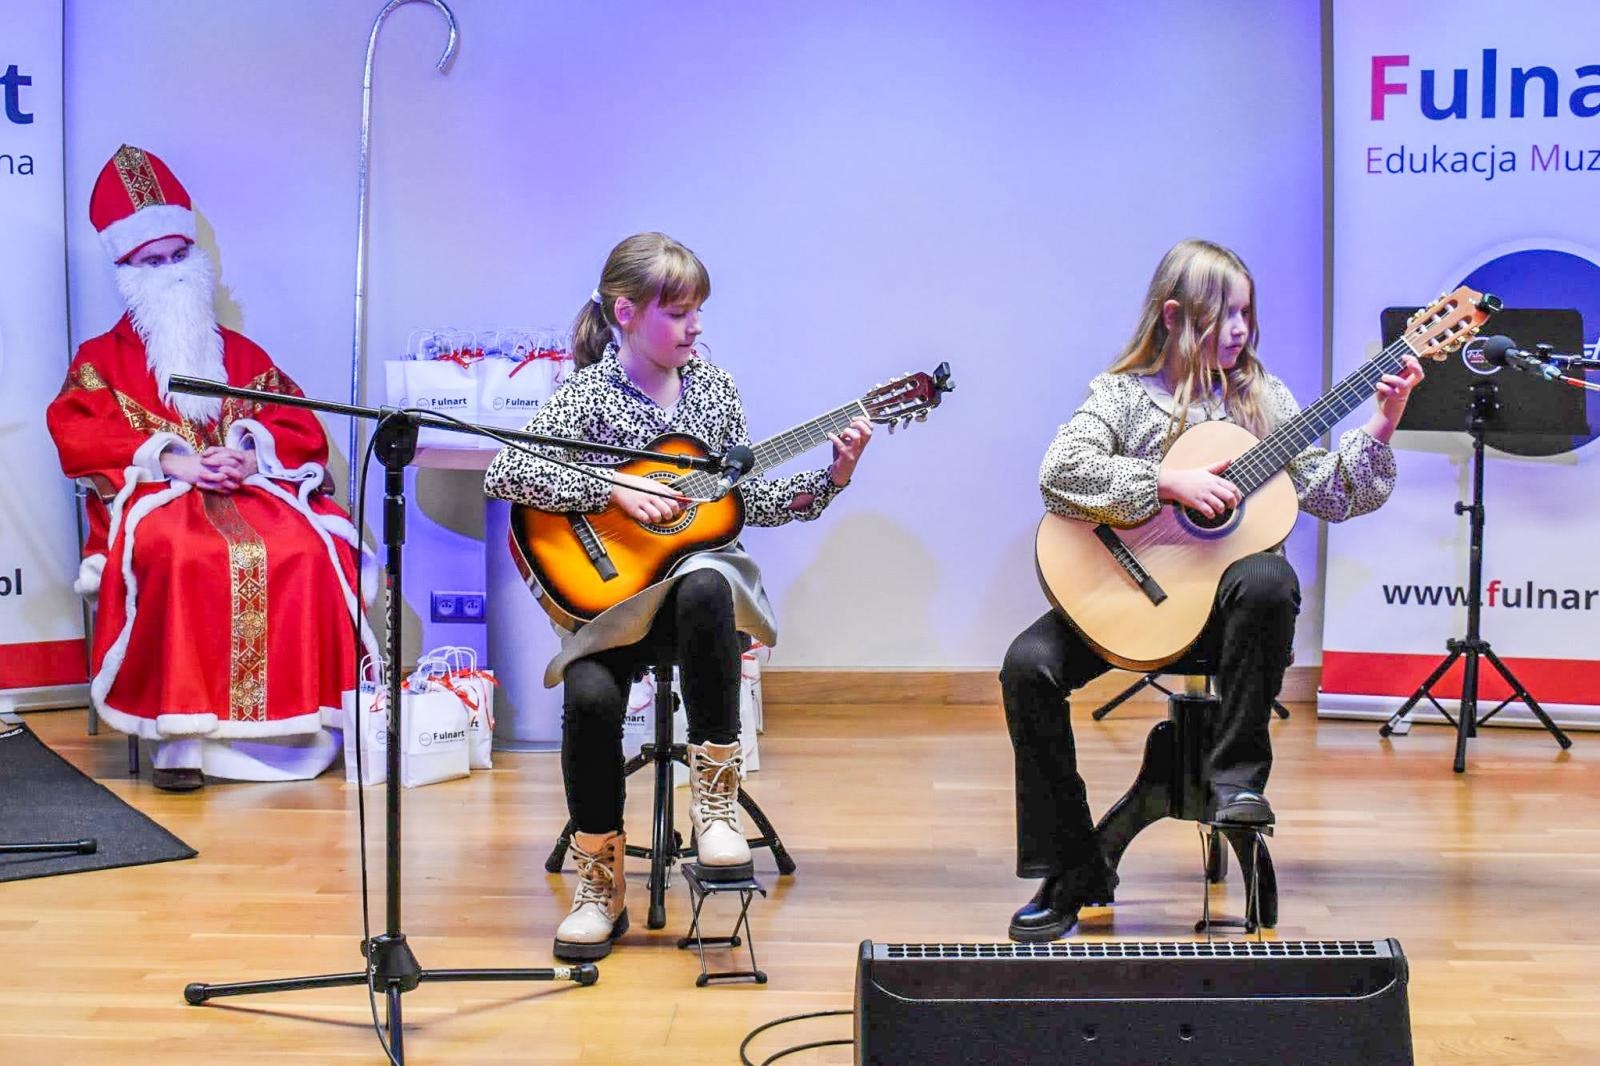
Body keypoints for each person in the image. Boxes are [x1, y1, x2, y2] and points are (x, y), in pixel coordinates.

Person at [1000, 238, 1423, 942]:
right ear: (1172, 315)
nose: (1239, 331)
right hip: (1130, 600)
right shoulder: (1122, 396)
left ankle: (1237, 785)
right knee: (1028, 665)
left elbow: (1337, 494)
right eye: (1224, 315)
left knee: (1268, 577)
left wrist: (1383, 418)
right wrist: (1167, 482)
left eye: (1245, 315)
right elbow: (1059, 472)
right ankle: (1072, 865)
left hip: (1229, 620)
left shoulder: (1263, 399)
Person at [483, 232, 872, 961]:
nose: (697, 327)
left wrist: (834, 476)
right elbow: (508, 474)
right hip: (613, 605)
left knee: (702, 581)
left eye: (700, 311)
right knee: (591, 696)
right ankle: (599, 887)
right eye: (679, 313)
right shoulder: (588, 396)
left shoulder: (715, 391)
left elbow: (744, 502)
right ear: (626, 312)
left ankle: (716, 807)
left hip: (699, 611)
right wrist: (612, 489)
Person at [47, 145, 372, 792]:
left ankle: (299, 729)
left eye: (178, 257)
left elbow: (297, 423)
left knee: (307, 548)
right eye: (151, 262)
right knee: (179, 553)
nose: (169, 272)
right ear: (126, 270)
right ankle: (182, 741)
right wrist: (175, 460)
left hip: (255, 494)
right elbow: (76, 429)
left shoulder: (241, 353)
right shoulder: (100, 360)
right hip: (159, 499)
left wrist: (249, 452)